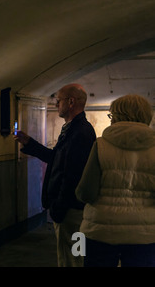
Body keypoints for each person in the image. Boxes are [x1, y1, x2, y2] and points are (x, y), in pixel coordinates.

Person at [14, 83, 96, 267]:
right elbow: (57, 159)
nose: (56, 104)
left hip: (71, 212)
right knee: (73, 257)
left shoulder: (80, 132)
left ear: (71, 102)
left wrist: (59, 207)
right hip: (71, 209)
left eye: (58, 100)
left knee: (72, 259)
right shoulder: (73, 129)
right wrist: (30, 143)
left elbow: (72, 174)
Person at [75, 94, 155, 267]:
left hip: (101, 231)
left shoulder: (101, 145)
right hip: (144, 233)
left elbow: (86, 193)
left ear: (118, 116)